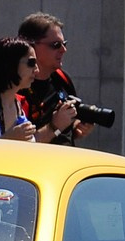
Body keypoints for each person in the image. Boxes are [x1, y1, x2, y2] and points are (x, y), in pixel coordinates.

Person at [0, 37, 72, 143]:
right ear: (10, 64)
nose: (36, 70)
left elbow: (34, 143)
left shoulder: (21, 105)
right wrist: (8, 139)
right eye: (31, 63)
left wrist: (56, 126)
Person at [17, 12, 98, 145]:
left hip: (65, 163)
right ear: (30, 46)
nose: (63, 50)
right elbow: (15, 147)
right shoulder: (16, 87)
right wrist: (54, 127)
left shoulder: (61, 79)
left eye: (64, 43)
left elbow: (67, 129)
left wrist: (77, 128)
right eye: (56, 45)